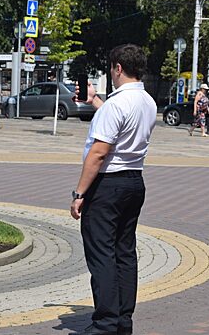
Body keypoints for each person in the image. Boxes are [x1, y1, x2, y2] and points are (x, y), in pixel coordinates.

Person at [70, 44, 157, 335]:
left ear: (117, 68)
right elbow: (123, 128)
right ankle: (122, 320)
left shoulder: (116, 105)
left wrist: (80, 193)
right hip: (134, 181)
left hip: (108, 185)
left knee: (102, 254)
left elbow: (99, 152)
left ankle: (105, 323)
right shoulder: (147, 101)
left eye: (111, 68)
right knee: (124, 252)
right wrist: (95, 101)